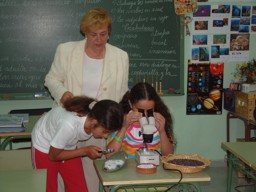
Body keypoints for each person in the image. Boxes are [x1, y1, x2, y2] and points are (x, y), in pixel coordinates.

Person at [44, 7, 129, 191]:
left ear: (109, 33)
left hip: (98, 126)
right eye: (93, 35)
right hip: (70, 121)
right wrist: (63, 93)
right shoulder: (66, 51)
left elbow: (122, 92)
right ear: (85, 32)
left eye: (103, 34)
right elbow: (51, 79)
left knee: (90, 178)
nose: (98, 39)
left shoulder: (121, 57)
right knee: (61, 178)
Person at [31, 96, 124, 192]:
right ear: (94, 122)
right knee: (49, 188)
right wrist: (85, 151)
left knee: (79, 188)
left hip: (66, 144)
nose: (105, 137)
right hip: (45, 145)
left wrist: (85, 151)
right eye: (105, 132)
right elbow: (53, 156)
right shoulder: (69, 125)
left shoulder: (94, 115)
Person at [107, 82, 174, 159]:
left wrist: (162, 132)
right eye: (140, 110)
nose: (145, 114)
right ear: (130, 103)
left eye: (149, 110)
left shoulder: (158, 121)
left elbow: (168, 155)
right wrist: (123, 128)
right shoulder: (121, 121)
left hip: (154, 168)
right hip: (129, 170)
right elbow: (109, 155)